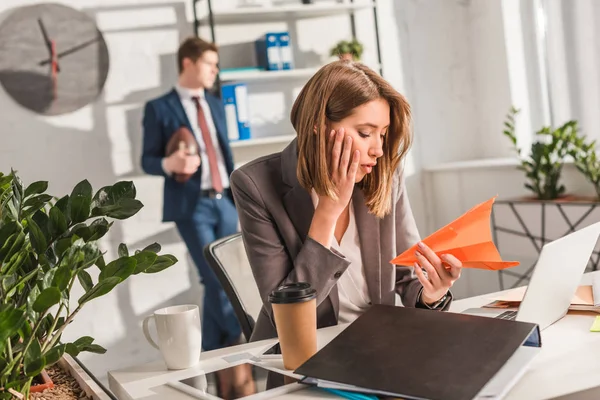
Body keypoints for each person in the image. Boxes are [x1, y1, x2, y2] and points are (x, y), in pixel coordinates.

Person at [230, 60, 463, 342]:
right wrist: (327, 212)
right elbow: (285, 315)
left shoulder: (385, 174)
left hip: (381, 347)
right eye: (364, 133)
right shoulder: (255, 184)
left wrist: (432, 293)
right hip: (304, 355)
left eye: (383, 134)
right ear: (318, 125)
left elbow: (407, 276)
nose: (377, 149)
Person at [140, 37, 241, 352]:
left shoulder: (215, 103)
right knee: (215, 278)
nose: (215, 70)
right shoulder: (159, 108)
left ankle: (212, 349)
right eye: (210, 63)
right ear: (188, 62)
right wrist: (170, 163)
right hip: (192, 205)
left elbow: (224, 153)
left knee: (231, 279)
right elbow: (147, 160)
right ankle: (247, 338)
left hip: (226, 201)